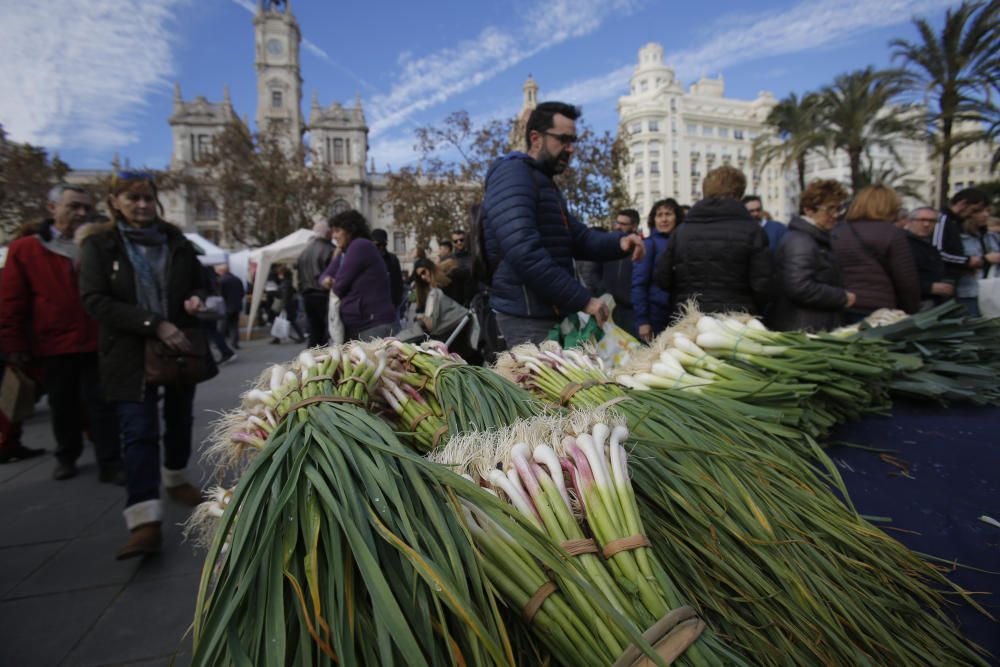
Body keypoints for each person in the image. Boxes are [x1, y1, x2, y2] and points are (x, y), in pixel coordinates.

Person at [79, 171, 208, 559]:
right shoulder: (100, 245)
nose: (140, 205)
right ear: (115, 201)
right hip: (129, 353)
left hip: (178, 350)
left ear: (157, 201)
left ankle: (175, 476)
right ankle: (144, 519)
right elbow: (95, 300)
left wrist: (197, 298)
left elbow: (203, 282)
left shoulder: (177, 241)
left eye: (147, 198)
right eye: (131, 198)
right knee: (138, 430)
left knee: (181, 417)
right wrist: (154, 324)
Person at [481, 101, 644, 346]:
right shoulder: (513, 174)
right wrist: (583, 300)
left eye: (573, 141)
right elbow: (524, 251)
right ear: (536, 138)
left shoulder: (542, 182)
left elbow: (578, 237)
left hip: (547, 315)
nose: (571, 149)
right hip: (525, 319)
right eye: (564, 139)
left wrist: (620, 242)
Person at [0, 184, 122, 479]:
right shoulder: (26, 249)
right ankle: (67, 455)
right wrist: (14, 345)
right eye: (74, 206)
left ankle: (110, 462)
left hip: (98, 342)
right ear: (52, 208)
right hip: (54, 345)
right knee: (62, 405)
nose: (81, 213)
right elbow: (11, 300)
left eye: (86, 208)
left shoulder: (101, 244)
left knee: (103, 406)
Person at [655, 166, 772, 316]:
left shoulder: (681, 232)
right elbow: (763, 285)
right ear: (739, 193)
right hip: (738, 320)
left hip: (691, 320)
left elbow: (663, 278)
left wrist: (683, 296)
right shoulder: (753, 231)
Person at [767, 179, 855, 332]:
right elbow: (800, 287)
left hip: (812, 323)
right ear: (808, 210)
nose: (835, 215)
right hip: (804, 326)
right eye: (829, 209)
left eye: (838, 209)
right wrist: (842, 297)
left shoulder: (814, 238)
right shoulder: (800, 241)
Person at [830, 184, 921, 321]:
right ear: (889, 206)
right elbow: (906, 280)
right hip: (879, 308)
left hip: (841, 303)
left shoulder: (837, 231)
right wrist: (911, 310)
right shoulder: (892, 233)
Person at [320, 209, 397, 340]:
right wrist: (327, 280)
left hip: (372, 325)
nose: (334, 236)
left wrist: (332, 281)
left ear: (350, 230)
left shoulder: (360, 246)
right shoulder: (345, 252)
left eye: (338, 231)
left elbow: (339, 285)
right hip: (361, 325)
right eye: (333, 231)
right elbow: (324, 277)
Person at [632, 201, 681, 342]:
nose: (664, 219)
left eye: (668, 214)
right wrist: (642, 321)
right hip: (655, 317)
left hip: (679, 315)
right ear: (653, 220)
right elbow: (638, 284)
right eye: (659, 215)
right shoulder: (648, 244)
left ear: (676, 217)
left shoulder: (682, 241)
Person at [595, 212, 641, 337]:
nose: (617, 227)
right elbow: (597, 271)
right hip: (609, 308)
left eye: (623, 224)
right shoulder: (609, 247)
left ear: (634, 226)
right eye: (617, 223)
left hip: (632, 311)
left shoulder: (641, 249)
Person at [934, 188, 989, 283]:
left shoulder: (955, 223)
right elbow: (938, 252)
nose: (972, 215)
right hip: (944, 279)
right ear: (962, 204)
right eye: (974, 210)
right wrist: (967, 261)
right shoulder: (943, 219)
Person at [903, 207, 954, 310]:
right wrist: (928, 287)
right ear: (910, 221)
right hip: (913, 303)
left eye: (932, 221)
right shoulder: (902, 244)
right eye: (922, 220)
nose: (926, 224)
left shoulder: (930, 245)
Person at [956, 206, 1000, 317]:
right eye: (979, 211)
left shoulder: (991, 237)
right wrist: (984, 259)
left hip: (992, 290)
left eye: (987, 210)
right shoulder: (958, 237)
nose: (985, 215)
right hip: (969, 291)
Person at [296, 221, 334, 347]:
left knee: (314, 331)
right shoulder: (330, 249)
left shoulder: (305, 251)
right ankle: (322, 360)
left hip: (308, 295)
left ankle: (312, 359)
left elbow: (299, 275)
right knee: (326, 332)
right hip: (324, 295)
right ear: (328, 233)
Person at [372, 228, 404, 315]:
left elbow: (398, 282)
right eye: (378, 245)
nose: (381, 247)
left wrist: (395, 302)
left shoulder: (392, 259)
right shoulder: (367, 259)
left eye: (384, 244)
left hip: (390, 306)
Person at [271, 264, 305, 343]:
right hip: (289, 304)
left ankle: (300, 337)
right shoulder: (287, 282)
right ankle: (277, 338)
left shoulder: (285, 283)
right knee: (287, 320)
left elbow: (284, 295)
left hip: (287, 305)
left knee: (287, 320)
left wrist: (283, 305)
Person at [215, 263, 245, 350]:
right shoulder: (237, 279)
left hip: (226, 306)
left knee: (222, 327)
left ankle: (221, 345)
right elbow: (242, 293)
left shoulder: (221, 281)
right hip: (236, 306)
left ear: (221, 271)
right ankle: (234, 343)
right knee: (234, 326)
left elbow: (220, 295)